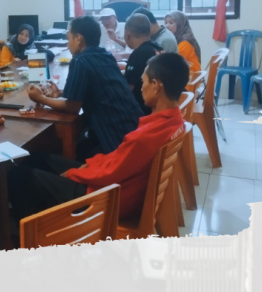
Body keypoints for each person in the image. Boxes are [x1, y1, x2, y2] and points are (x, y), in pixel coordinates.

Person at [11, 53, 189, 223]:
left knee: (19, 176)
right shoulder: (175, 122)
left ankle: (33, 235)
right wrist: (89, 166)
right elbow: (118, 161)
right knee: (38, 158)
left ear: (156, 86)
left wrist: (74, 174)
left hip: (105, 200)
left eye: (144, 81)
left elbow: (109, 174)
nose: (141, 87)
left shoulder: (145, 137)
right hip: (119, 188)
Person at [27, 15, 141, 159]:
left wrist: (41, 98)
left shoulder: (80, 61)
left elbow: (72, 106)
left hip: (116, 139)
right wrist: (59, 93)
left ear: (78, 39)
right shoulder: (105, 55)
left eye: (69, 39)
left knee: (46, 155)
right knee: (80, 146)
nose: (68, 45)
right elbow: (92, 88)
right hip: (134, 129)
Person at [123, 12, 164, 111]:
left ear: (127, 34)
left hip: (143, 111)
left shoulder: (138, 54)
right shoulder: (159, 48)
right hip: (160, 107)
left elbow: (127, 90)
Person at [164, 10, 202, 75]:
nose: (167, 26)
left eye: (171, 23)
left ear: (180, 23)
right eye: (166, 23)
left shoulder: (185, 41)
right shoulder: (178, 37)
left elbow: (173, 61)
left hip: (191, 77)